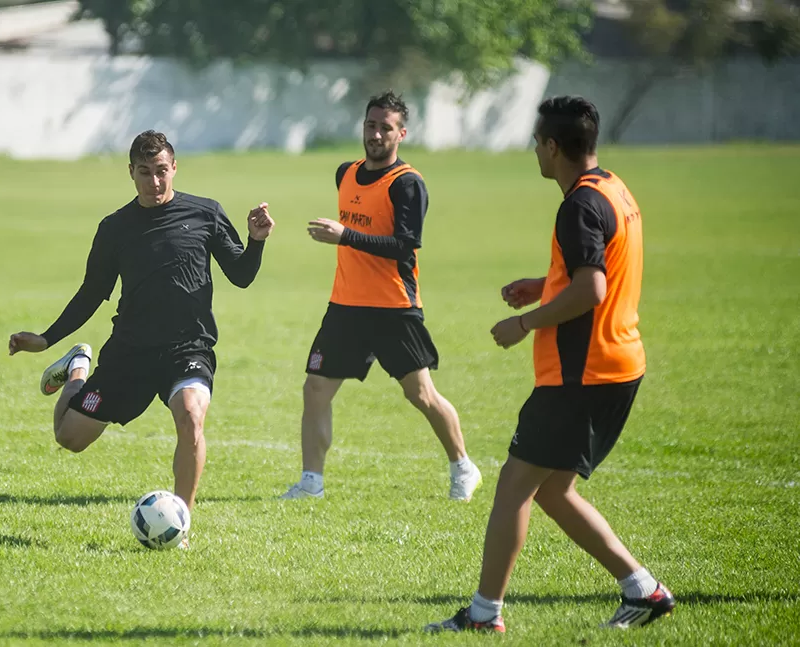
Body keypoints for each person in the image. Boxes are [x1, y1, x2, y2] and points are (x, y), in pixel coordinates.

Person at [425, 96, 674, 633]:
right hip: (619, 363)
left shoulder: (578, 205)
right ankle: (643, 589)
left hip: (581, 373)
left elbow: (591, 287)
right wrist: (544, 285)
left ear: (554, 146)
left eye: (538, 141)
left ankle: (483, 615)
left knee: (515, 486)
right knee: (554, 490)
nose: (534, 150)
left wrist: (525, 322)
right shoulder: (614, 189)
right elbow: (595, 269)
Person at [8, 130, 275, 513]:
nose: (155, 182)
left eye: (162, 171)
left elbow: (242, 275)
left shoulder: (205, 213)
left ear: (175, 168)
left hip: (188, 347)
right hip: (130, 351)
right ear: (131, 172)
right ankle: (77, 368)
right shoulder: (114, 228)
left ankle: (181, 521)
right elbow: (91, 294)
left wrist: (256, 241)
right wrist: (46, 339)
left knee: (191, 418)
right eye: (145, 172)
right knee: (69, 438)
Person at [280, 90, 482, 502]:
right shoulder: (345, 173)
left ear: (401, 133)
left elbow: (405, 245)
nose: (375, 134)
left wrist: (345, 236)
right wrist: (347, 237)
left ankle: (463, 465)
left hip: (393, 308)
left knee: (420, 394)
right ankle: (311, 483)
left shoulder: (407, 184)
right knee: (315, 389)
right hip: (345, 307)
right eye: (371, 125)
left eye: (385, 128)